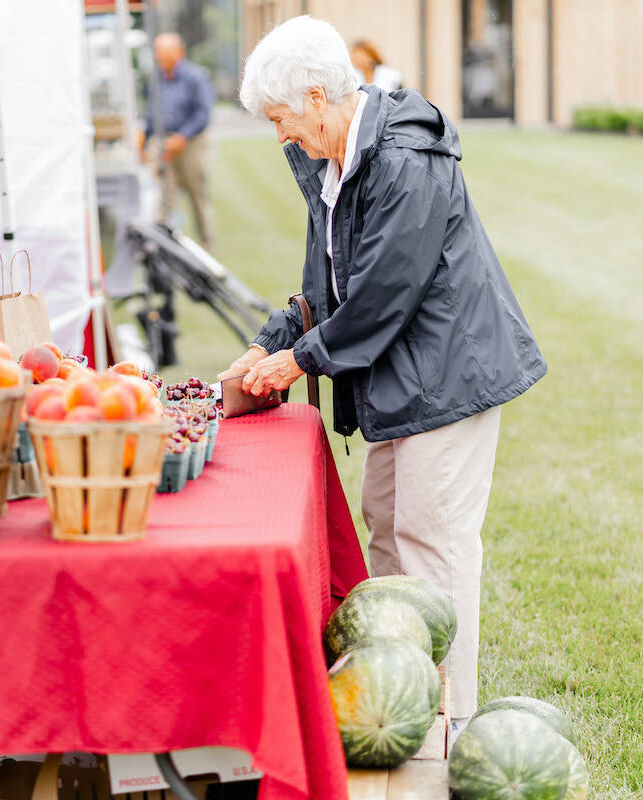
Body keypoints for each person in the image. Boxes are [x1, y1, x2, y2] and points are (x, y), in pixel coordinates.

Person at [222, 16, 546, 735]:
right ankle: (400, 702)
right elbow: (330, 277)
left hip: (447, 372)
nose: (280, 136)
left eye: (280, 119)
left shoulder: (405, 159)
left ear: (314, 97)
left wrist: (299, 359)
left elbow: (381, 293)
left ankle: (447, 723)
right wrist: (276, 335)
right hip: (397, 374)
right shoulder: (324, 156)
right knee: (389, 537)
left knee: (433, 543)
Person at [144, 32, 217, 251]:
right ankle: (162, 245)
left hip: (191, 143)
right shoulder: (155, 79)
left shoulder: (195, 77)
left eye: (163, 53)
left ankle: (207, 245)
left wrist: (182, 137)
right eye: (157, 53)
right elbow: (151, 112)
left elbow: (203, 114)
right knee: (165, 194)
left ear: (178, 53)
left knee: (197, 194)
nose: (159, 57)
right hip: (163, 143)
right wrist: (146, 139)